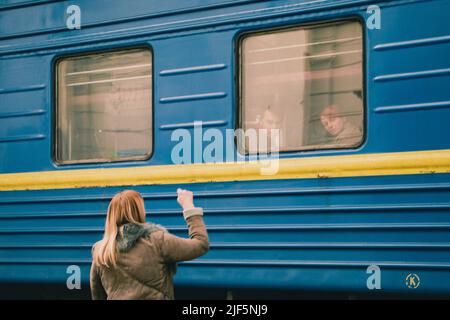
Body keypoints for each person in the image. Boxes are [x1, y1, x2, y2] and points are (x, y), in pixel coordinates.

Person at [90, 188, 209, 300]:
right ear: (139, 211)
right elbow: (201, 244)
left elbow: (97, 292)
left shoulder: (101, 250)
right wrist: (188, 206)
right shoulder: (156, 241)